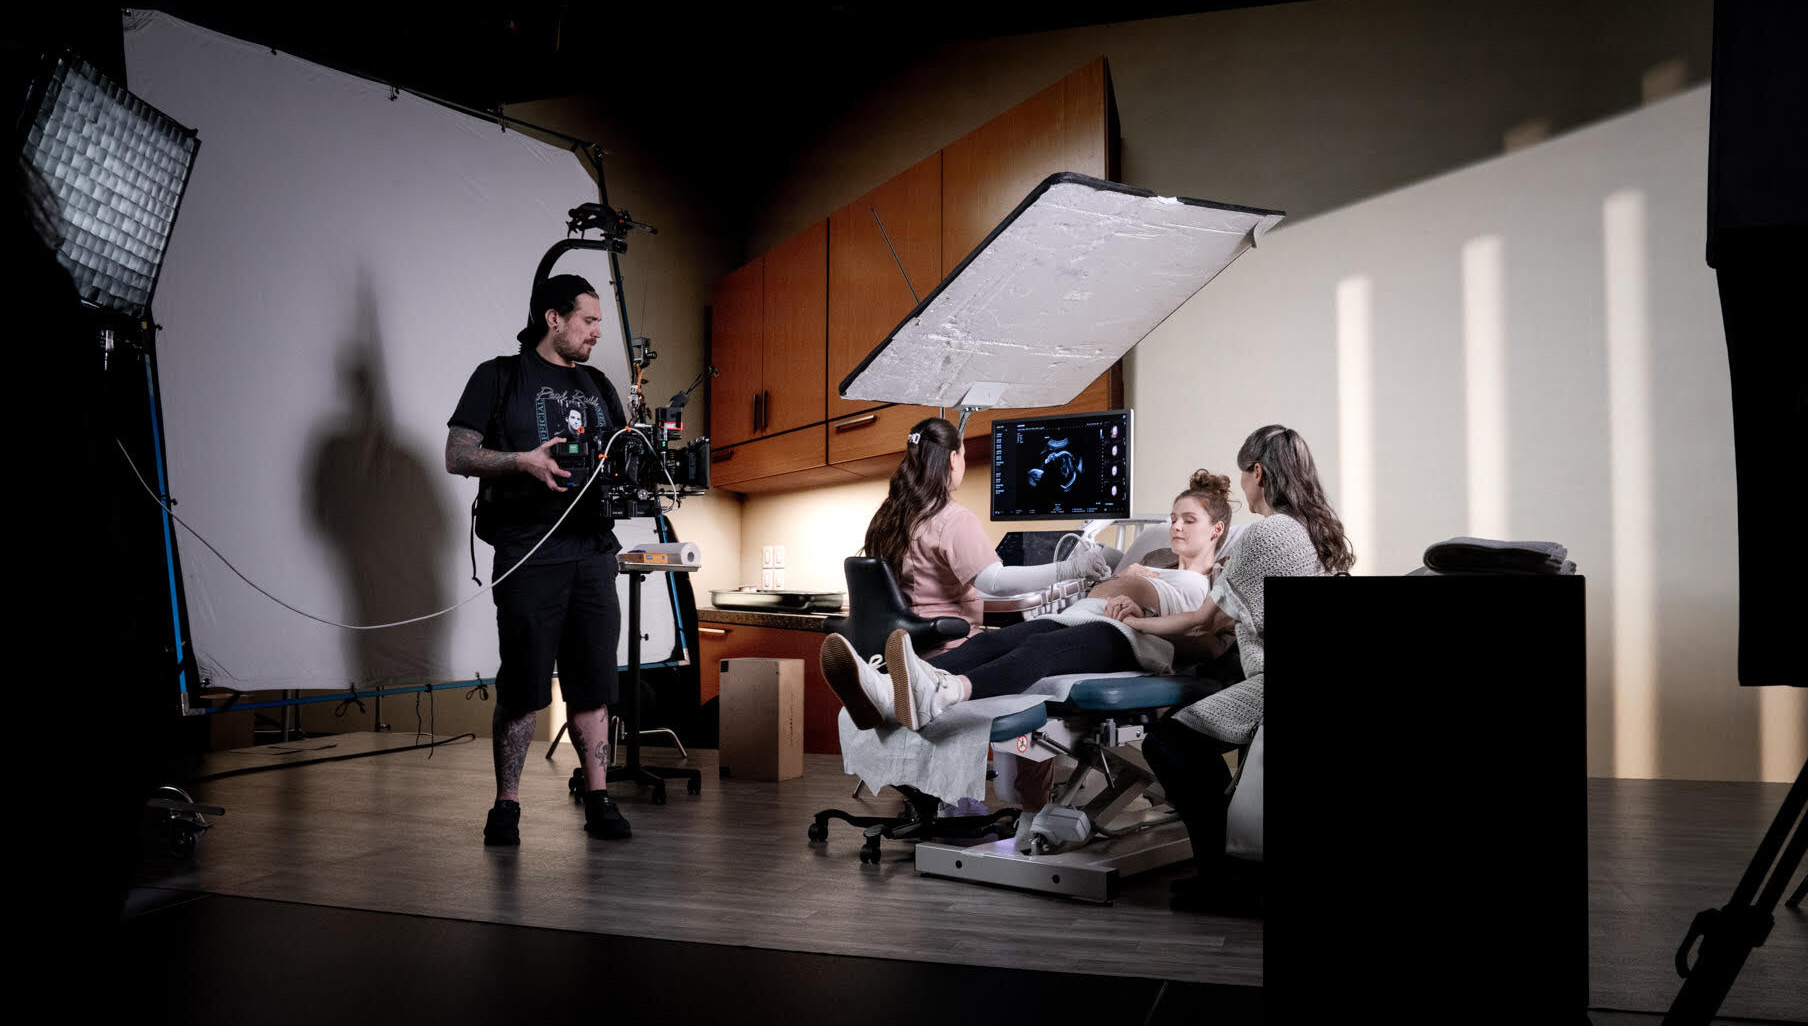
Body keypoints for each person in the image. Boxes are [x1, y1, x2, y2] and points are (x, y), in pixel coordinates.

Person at [818, 416, 1113, 810]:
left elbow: (926, 591)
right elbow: (993, 580)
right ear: (954, 459)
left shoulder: (889, 516)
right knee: (1034, 681)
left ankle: (886, 693)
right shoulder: (951, 518)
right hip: (949, 646)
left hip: (898, 651)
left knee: (1015, 646)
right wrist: (1070, 569)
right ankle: (1033, 805)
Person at [1136, 423, 1353, 915]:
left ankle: (1222, 877)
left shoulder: (1269, 533)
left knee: (1168, 741)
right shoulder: (1315, 528)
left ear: (1258, 472)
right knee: (1189, 741)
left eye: (1244, 477)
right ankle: (1230, 867)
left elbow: (1202, 623)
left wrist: (1140, 623)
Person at [445, 273, 632, 846]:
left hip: (593, 552)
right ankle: (507, 805)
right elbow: (458, 455)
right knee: (524, 686)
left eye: (600, 321)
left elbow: (621, 458)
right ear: (554, 318)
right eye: (589, 320)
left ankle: (598, 797)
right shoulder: (500, 376)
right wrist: (523, 462)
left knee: (593, 683)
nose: (598, 332)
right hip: (529, 550)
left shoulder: (600, 384)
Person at [867, 468, 1240, 731]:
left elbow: (1206, 644)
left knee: (1041, 651)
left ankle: (944, 695)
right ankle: (886, 688)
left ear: (1216, 530)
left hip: (1133, 639)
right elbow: (1110, 581)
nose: (1175, 526)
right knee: (992, 640)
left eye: (1188, 520)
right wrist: (1114, 574)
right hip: (1085, 616)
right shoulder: (1154, 558)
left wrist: (1141, 615)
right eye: (1173, 518)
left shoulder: (1219, 580)